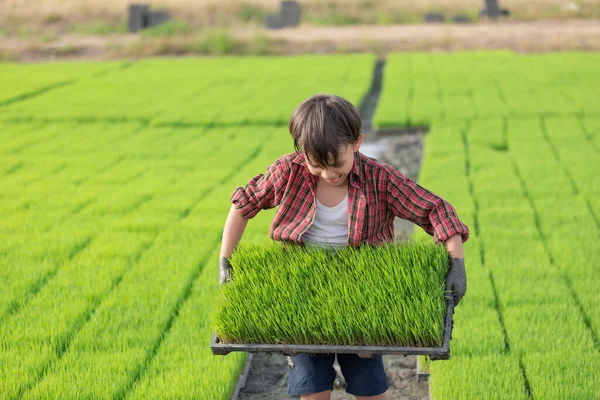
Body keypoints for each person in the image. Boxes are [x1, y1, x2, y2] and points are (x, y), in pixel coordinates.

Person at [219, 94, 468, 400]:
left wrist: (456, 262)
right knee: (313, 392)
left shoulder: (380, 179)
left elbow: (435, 210)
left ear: (357, 143)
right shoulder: (288, 171)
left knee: (371, 391)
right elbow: (244, 204)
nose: (329, 174)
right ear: (301, 151)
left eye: (337, 164)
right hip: (303, 294)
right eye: (317, 165)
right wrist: (225, 260)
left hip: (363, 294)